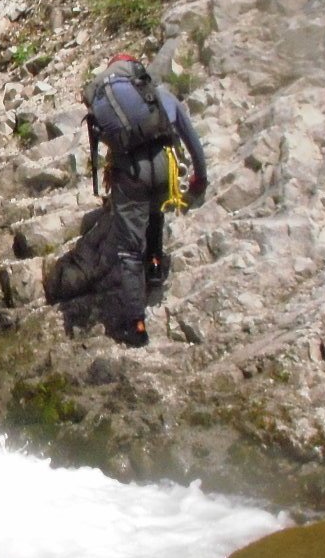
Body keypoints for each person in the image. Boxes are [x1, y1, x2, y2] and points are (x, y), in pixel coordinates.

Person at [44, 54, 207, 346]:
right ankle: (155, 266)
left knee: (129, 251)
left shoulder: (108, 104)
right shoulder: (159, 97)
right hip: (166, 166)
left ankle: (136, 326)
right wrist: (199, 179)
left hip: (132, 173)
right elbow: (191, 139)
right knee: (156, 209)